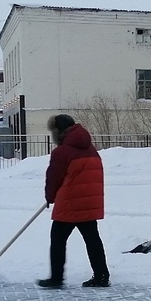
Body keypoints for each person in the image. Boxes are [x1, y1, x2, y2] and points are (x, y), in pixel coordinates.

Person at [39, 114, 109, 289]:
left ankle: (56, 278)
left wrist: (50, 196)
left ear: (58, 131)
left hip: (70, 202)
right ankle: (101, 275)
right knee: (92, 239)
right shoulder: (91, 148)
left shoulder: (62, 152)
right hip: (89, 201)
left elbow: (53, 177)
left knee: (57, 239)